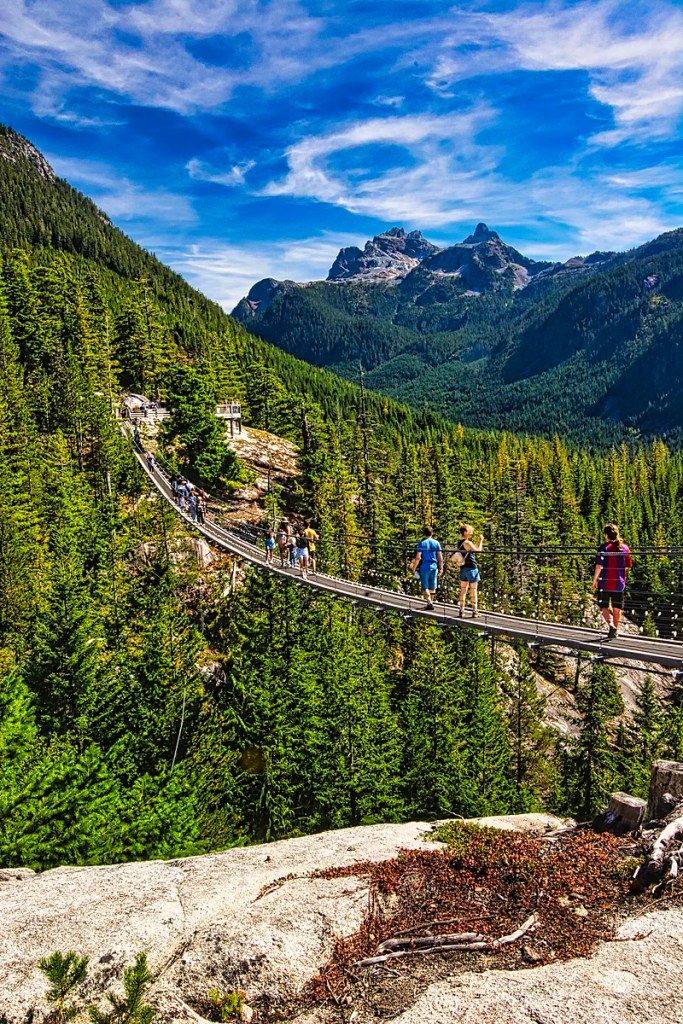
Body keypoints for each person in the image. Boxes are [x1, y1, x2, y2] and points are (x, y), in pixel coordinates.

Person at [593, 523, 632, 639]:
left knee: (603, 606)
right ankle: (615, 629)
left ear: (606, 535)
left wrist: (595, 579)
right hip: (619, 583)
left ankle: (611, 626)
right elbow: (627, 567)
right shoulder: (625, 548)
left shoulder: (603, 548)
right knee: (617, 607)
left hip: (605, 582)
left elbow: (599, 566)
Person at [410, 525, 443, 610]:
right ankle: (430, 603)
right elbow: (440, 557)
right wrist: (441, 568)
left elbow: (418, 557)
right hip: (434, 566)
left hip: (424, 566)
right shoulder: (436, 543)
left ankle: (429, 602)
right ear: (432, 533)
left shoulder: (422, 543)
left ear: (424, 533)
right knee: (432, 586)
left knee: (425, 586)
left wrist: (414, 568)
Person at [457, 524, 483, 617]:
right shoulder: (467, 543)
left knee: (463, 590)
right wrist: (480, 541)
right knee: (473, 590)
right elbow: (478, 551)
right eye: (469, 531)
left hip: (463, 568)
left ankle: (461, 610)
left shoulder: (460, 542)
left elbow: (472, 549)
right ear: (465, 532)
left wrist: (476, 542)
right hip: (472, 568)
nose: (471, 533)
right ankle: (474, 610)